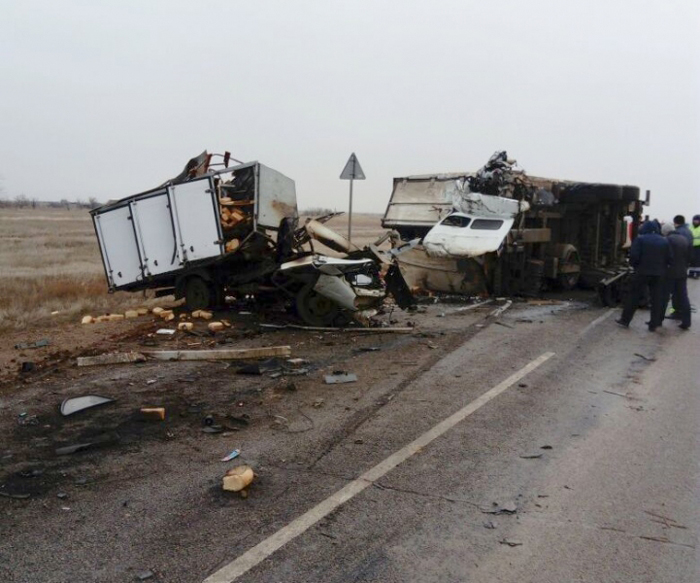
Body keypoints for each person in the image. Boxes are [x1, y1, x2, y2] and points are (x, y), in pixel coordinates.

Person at [616, 220, 673, 331]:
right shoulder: (664, 241)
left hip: (642, 272)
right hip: (659, 274)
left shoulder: (640, 239)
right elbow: (670, 258)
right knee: (656, 298)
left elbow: (634, 256)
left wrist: (635, 266)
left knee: (633, 296)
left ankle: (625, 320)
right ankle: (653, 324)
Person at [661, 222, 691, 329]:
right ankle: (686, 321)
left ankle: (658, 320)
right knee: (683, 297)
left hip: (670, 273)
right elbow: (689, 256)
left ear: (665, 232)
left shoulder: (667, 240)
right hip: (682, 272)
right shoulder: (684, 239)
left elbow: (665, 256)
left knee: (664, 297)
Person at [690, 215, 700, 279]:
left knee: (698, 261)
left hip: (698, 246)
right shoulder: (690, 227)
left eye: (697, 220)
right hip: (691, 246)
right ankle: (691, 273)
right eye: (695, 220)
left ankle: (697, 274)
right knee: (691, 260)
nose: (696, 221)